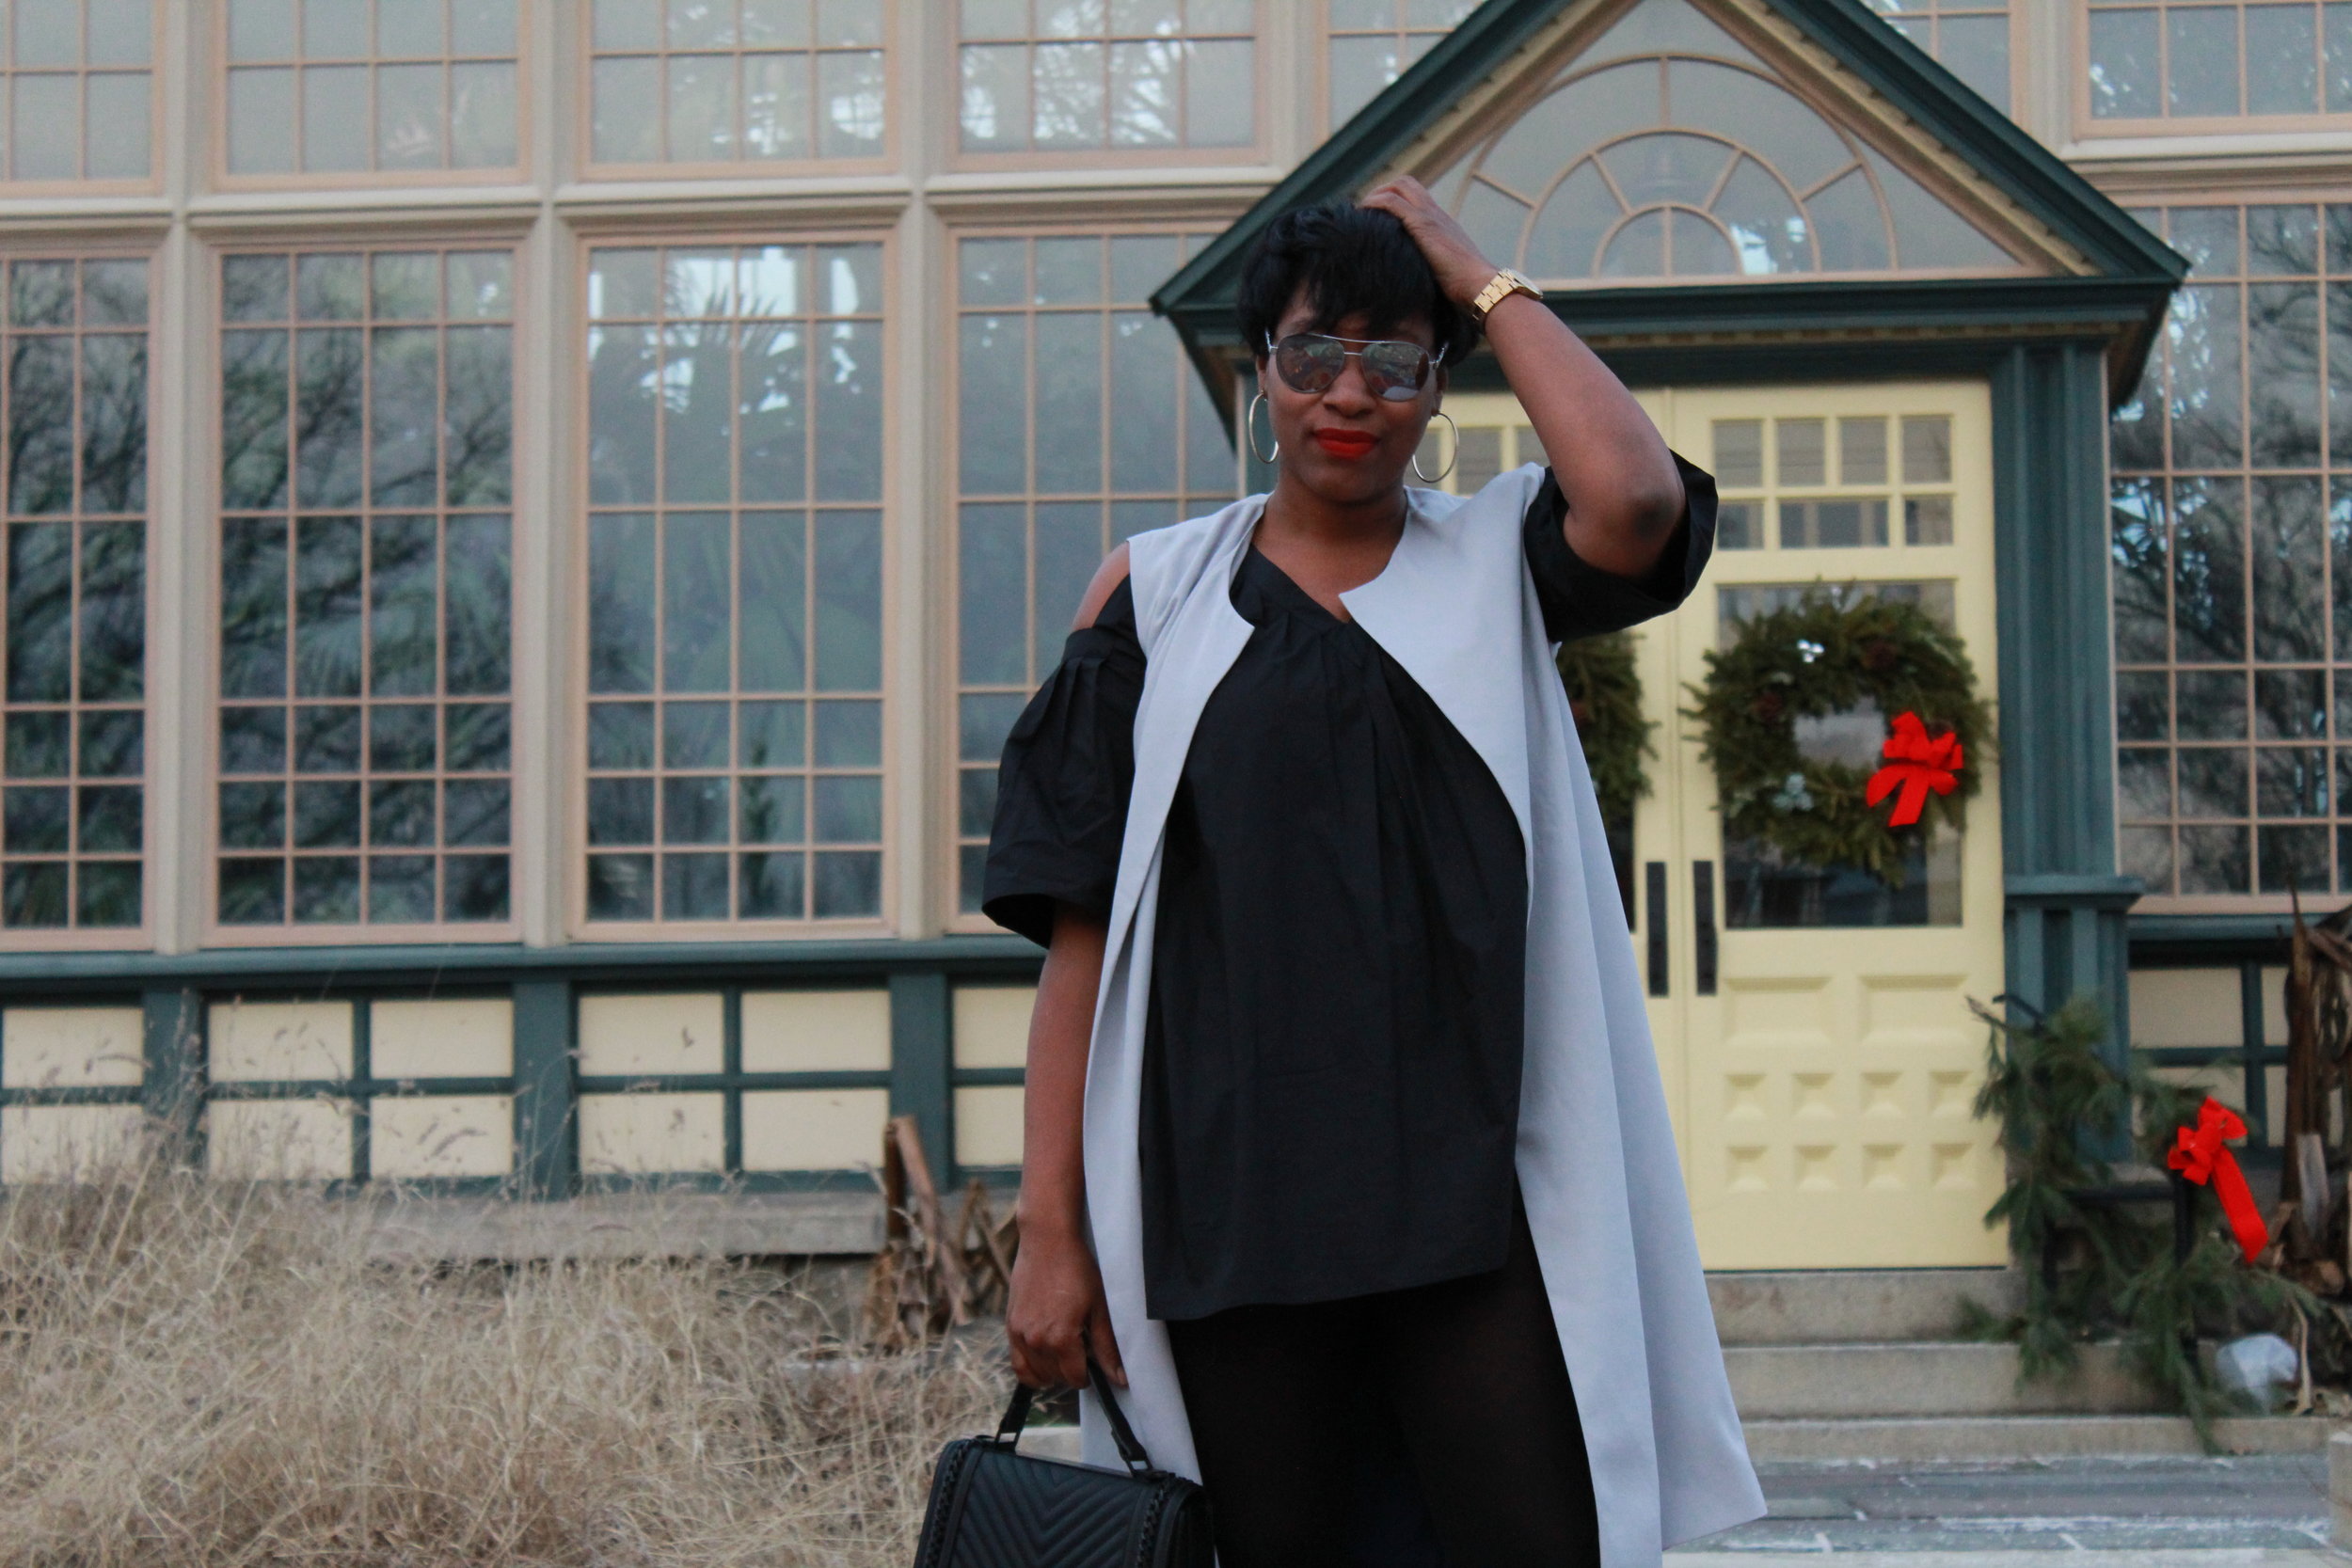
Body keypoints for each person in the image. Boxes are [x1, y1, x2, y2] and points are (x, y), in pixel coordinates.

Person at [981, 180, 1764, 1567]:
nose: (1350, 392)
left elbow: (1637, 497)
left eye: (1396, 359)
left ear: (1439, 383)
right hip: (1229, 1212)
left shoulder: (1501, 560)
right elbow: (1081, 939)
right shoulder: (1155, 595)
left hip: (1479, 1207)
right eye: (1312, 353)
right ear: (1260, 372)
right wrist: (1051, 1233)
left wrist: (1476, 274)